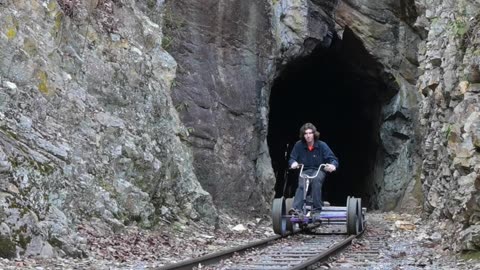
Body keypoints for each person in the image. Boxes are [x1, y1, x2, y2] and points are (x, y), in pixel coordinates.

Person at [288, 122, 339, 215]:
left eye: (310, 133)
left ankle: (317, 209)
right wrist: (293, 163)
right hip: (305, 170)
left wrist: (332, 165)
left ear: (314, 134)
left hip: (318, 170)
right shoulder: (298, 145)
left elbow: (333, 159)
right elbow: (292, 158)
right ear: (303, 135)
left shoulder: (322, 145)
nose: (308, 136)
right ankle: (296, 209)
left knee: (316, 181)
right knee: (302, 184)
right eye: (305, 134)